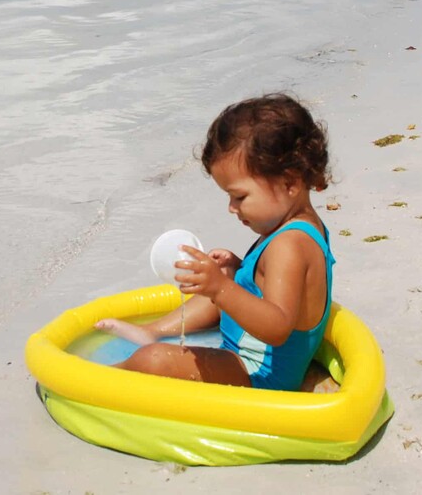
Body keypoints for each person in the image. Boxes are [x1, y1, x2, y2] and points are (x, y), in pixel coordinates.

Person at [96, 94, 336, 391]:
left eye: (239, 196)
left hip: (258, 375)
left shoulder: (290, 245)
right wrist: (239, 269)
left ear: (290, 183)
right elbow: (279, 286)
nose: (231, 208)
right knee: (224, 278)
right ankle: (152, 330)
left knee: (154, 360)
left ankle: (97, 382)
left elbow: (277, 327)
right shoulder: (295, 228)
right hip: (247, 356)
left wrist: (221, 289)